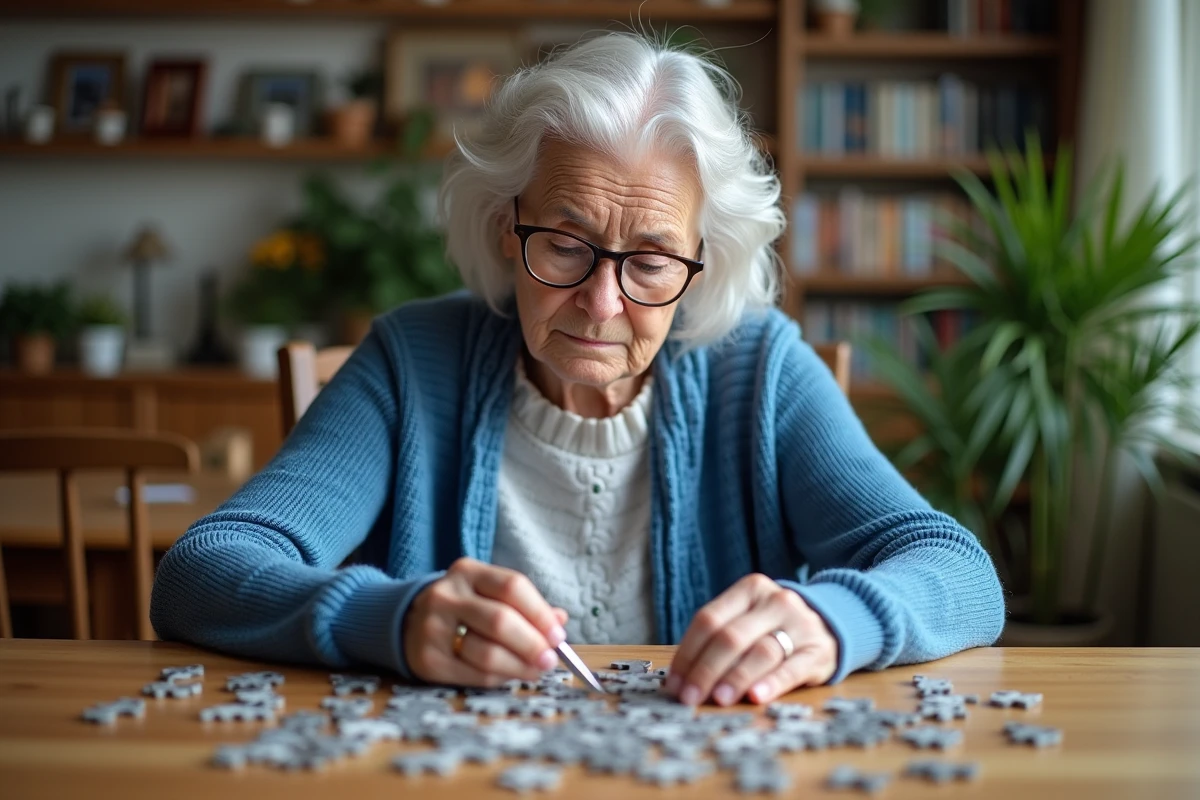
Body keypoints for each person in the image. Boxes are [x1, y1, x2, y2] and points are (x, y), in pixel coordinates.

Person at [151, 33, 1004, 708]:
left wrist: (827, 620)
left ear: (705, 261)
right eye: (564, 244)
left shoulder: (763, 371)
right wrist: (394, 617)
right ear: (501, 227)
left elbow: (958, 571)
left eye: (652, 261)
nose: (601, 304)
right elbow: (204, 570)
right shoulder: (412, 363)